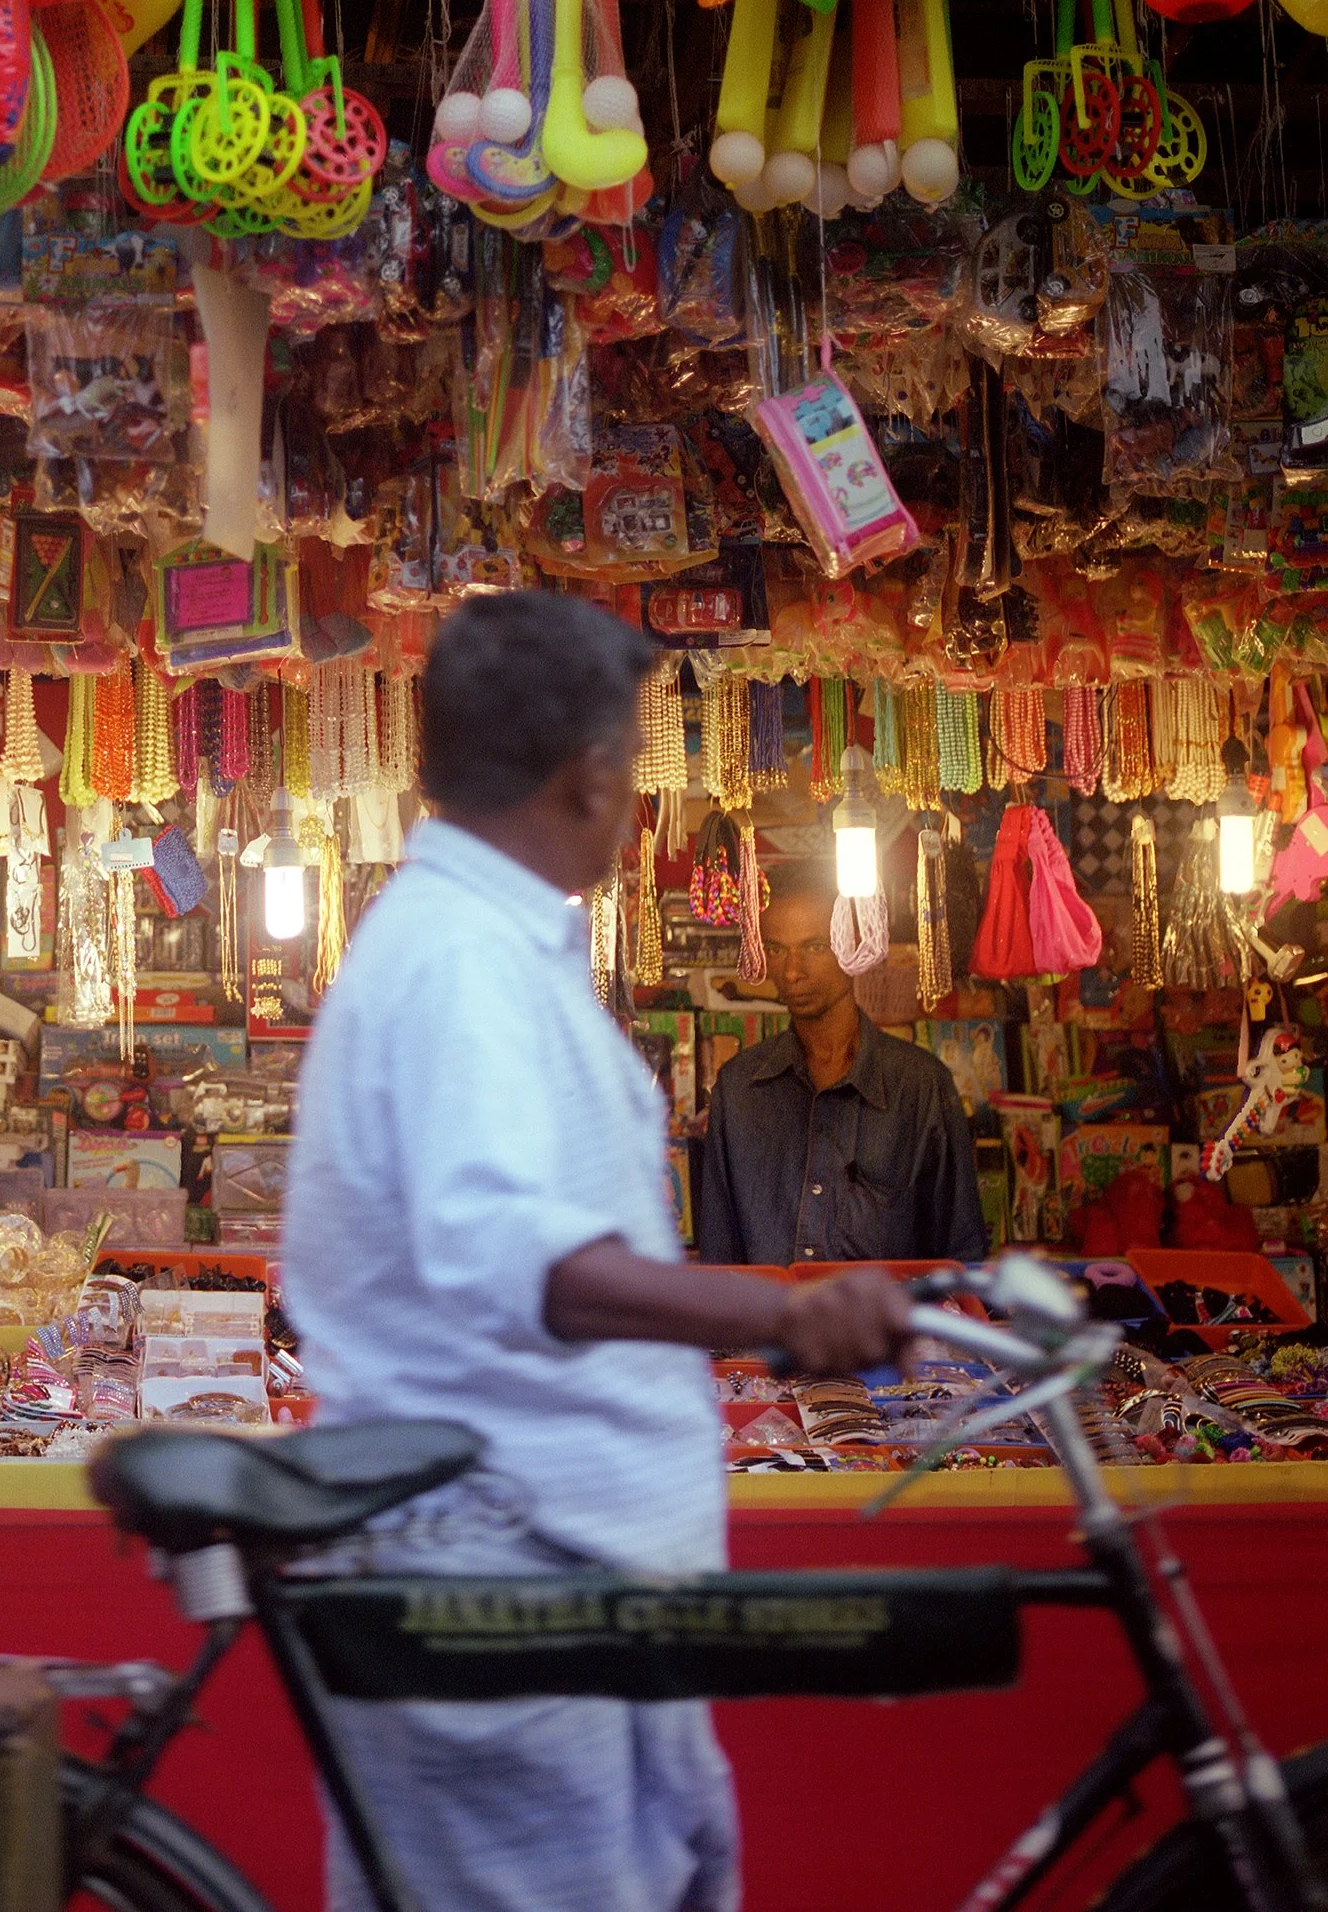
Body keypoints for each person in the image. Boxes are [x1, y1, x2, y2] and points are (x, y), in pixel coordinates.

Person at [284, 593, 913, 1912]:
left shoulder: (485, 942)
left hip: (560, 1585)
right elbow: (513, 1253)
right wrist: (779, 1319)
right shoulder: (461, 963)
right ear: (597, 775)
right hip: (506, 1592)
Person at [693, 858, 988, 1268]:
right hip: (772, 1329)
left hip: (880, 1332)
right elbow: (719, 1258)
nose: (792, 971)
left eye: (815, 947)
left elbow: (961, 1251)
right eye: (777, 950)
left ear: (853, 945)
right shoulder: (740, 1089)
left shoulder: (919, 1086)